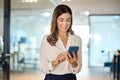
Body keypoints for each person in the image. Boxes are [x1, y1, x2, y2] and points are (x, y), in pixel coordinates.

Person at [40, 4, 82, 80]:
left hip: (70, 78)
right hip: (52, 78)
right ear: (55, 20)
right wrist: (56, 62)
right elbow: (43, 68)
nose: (65, 24)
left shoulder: (77, 39)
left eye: (68, 20)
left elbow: (78, 68)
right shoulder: (46, 39)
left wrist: (73, 63)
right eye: (61, 20)